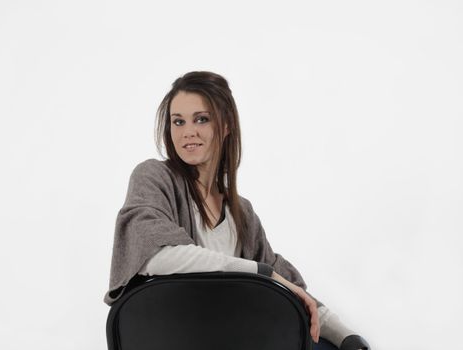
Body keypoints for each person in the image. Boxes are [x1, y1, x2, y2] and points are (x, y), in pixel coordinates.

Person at [104, 71, 370, 350]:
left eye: (201, 119)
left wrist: (346, 336)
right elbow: (156, 256)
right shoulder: (154, 177)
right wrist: (261, 272)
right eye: (178, 121)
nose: (187, 132)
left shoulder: (241, 213)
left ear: (227, 124)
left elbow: (294, 289)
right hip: (177, 336)